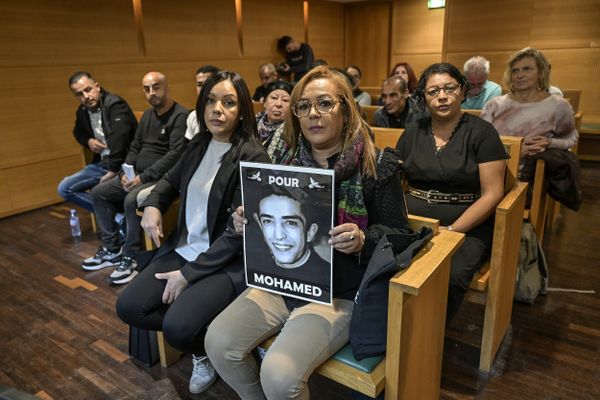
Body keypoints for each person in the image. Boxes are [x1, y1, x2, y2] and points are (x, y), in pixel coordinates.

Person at [205, 65, 411, 400]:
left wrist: (362, 240)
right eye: (303, 106)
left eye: (325, 103)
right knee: (218, 342)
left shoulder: (376, 165)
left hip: (337, 291)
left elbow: (400, 234)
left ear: (346, 110)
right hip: (280, 282)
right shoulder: (281, 161)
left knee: (279, 374)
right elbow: (259, 219)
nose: (313, 114)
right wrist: (243, 220)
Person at [116, 70, 270, 394]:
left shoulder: (253, 155)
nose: (218, 109)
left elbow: (237, 234)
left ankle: (209, 345)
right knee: (129, 307)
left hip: (224, 261)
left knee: (176, 327)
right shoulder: (199, 144)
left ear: (241, 110)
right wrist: (155, 204)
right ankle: (207, 343)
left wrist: (187, 275)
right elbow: (169, 183)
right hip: (183, 248)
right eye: (211, 101)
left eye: (228, 103)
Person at [395, 62, 507, 323]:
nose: (442, 96)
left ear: (462, 91)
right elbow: (394, 177)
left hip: (467, 223)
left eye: (449, 88)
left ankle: (427, 336)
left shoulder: (482, 132)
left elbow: (493, 193)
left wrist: (453, 231)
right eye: (433, 91)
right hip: (415, 217)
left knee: (451, 276)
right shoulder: (413, 130)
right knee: (383, 260)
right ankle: (393, 327)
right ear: (424, 97)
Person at [83, 72, 188, 286]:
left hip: (162, 178)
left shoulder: (181, 115)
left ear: (167, 88)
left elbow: (175, 155)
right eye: (147, 88)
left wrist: (142, 178)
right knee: (99, 192)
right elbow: (135, 146)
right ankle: (112, 248)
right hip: (136, 175)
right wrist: (124, 171)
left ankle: (131, 256)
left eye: (156, 87)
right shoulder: (148, 115)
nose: (152, 93)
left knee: (132, 198)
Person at [481, 47, 578, 166]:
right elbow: (481, 141)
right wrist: (515, 154)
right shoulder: (494, 104)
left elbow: (571, 139)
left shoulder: (559, 106)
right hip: (492, 166)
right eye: (515, 71)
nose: (520, 75)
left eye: (527, 69)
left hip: (529, 173)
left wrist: (550, 142)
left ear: (540, 72)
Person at [58, 72, 137, 212]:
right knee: (64, 188)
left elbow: (120, 140)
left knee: (99, 191)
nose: (86, 97)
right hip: (101, 163)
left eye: (88, 90)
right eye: (79, 94)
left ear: (97, 87)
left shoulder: (115, 105)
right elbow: (77, 131)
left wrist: (112, 171)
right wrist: (88, 141)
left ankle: (113, 216)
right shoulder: (83, 110)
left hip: (123, 164)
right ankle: (118, 216)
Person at [255, 80, 293, 161]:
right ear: (264, 102)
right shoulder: (250, 125)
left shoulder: (294, 131)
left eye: (285, 100)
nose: (278, 104)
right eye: (274, 98)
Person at [185, 65, 220, 141]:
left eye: (207, 83)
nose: (203, 88)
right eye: (199, 85)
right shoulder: (193, 116)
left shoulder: (223, 114)